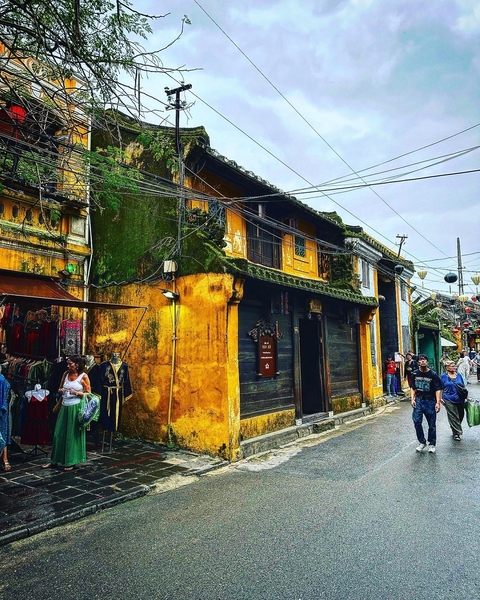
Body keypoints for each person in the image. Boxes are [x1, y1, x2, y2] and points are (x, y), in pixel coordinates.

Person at [41, 355, 91, 471]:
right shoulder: (65, 374)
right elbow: (59, 389)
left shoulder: (84, 377)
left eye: (70, 364)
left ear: (77, 364)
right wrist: (61, 390)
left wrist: (77, 393)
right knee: (58, 434)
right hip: (64, 406)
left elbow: (89, 394)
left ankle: (71, 461)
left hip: (76, 407)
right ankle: (54, 460)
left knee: (72, 435)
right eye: (68, 364)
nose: (68, 366)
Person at [409, 354, 443, 453]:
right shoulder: (414, 374)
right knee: (417, 422)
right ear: (418, 362)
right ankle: (422, 442)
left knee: (431, 424)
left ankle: (432, 444)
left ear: (427, 362)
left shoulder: (433, 374)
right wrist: (412, 399)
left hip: (430, 401)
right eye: (420, 360)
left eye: (424, 359)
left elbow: (438, 389)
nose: (423, 361)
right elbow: (413, 388)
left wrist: (438, 402)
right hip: (419, 400)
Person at [441, 360, 466, 441]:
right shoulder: (443, 376)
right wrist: (440, 398)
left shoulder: (459, 375)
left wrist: (466, 396)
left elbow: (463, 387)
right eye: (452, 366)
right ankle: (457, 433)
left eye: (454, 366)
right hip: (448, 398)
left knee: (461, 415)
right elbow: (439, 388)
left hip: (460, 399)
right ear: (447, 367)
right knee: (453, 415)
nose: (454, 367)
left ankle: (454, 426)